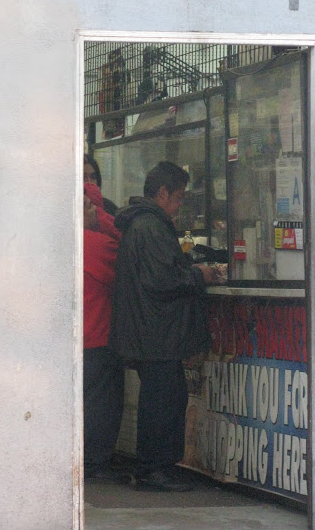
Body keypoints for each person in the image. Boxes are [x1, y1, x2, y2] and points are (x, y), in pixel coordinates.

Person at [108, 161, 219, 492]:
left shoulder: (142, 225)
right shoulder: (152, 227)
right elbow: (162, 280)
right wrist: (199, 275)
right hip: (156, 334)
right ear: (162, 193)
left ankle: (155, 466)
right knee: (163, 401)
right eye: (179, 197)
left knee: (163, 398)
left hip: (150, 332)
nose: (180, 203)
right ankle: (153, 469)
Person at [83, 184, 126, 483]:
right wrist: (102, 219)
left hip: (69, 340)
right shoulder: (97, 246)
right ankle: (95, 464)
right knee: (102, 405)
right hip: (98, 337)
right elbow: (131, 248)